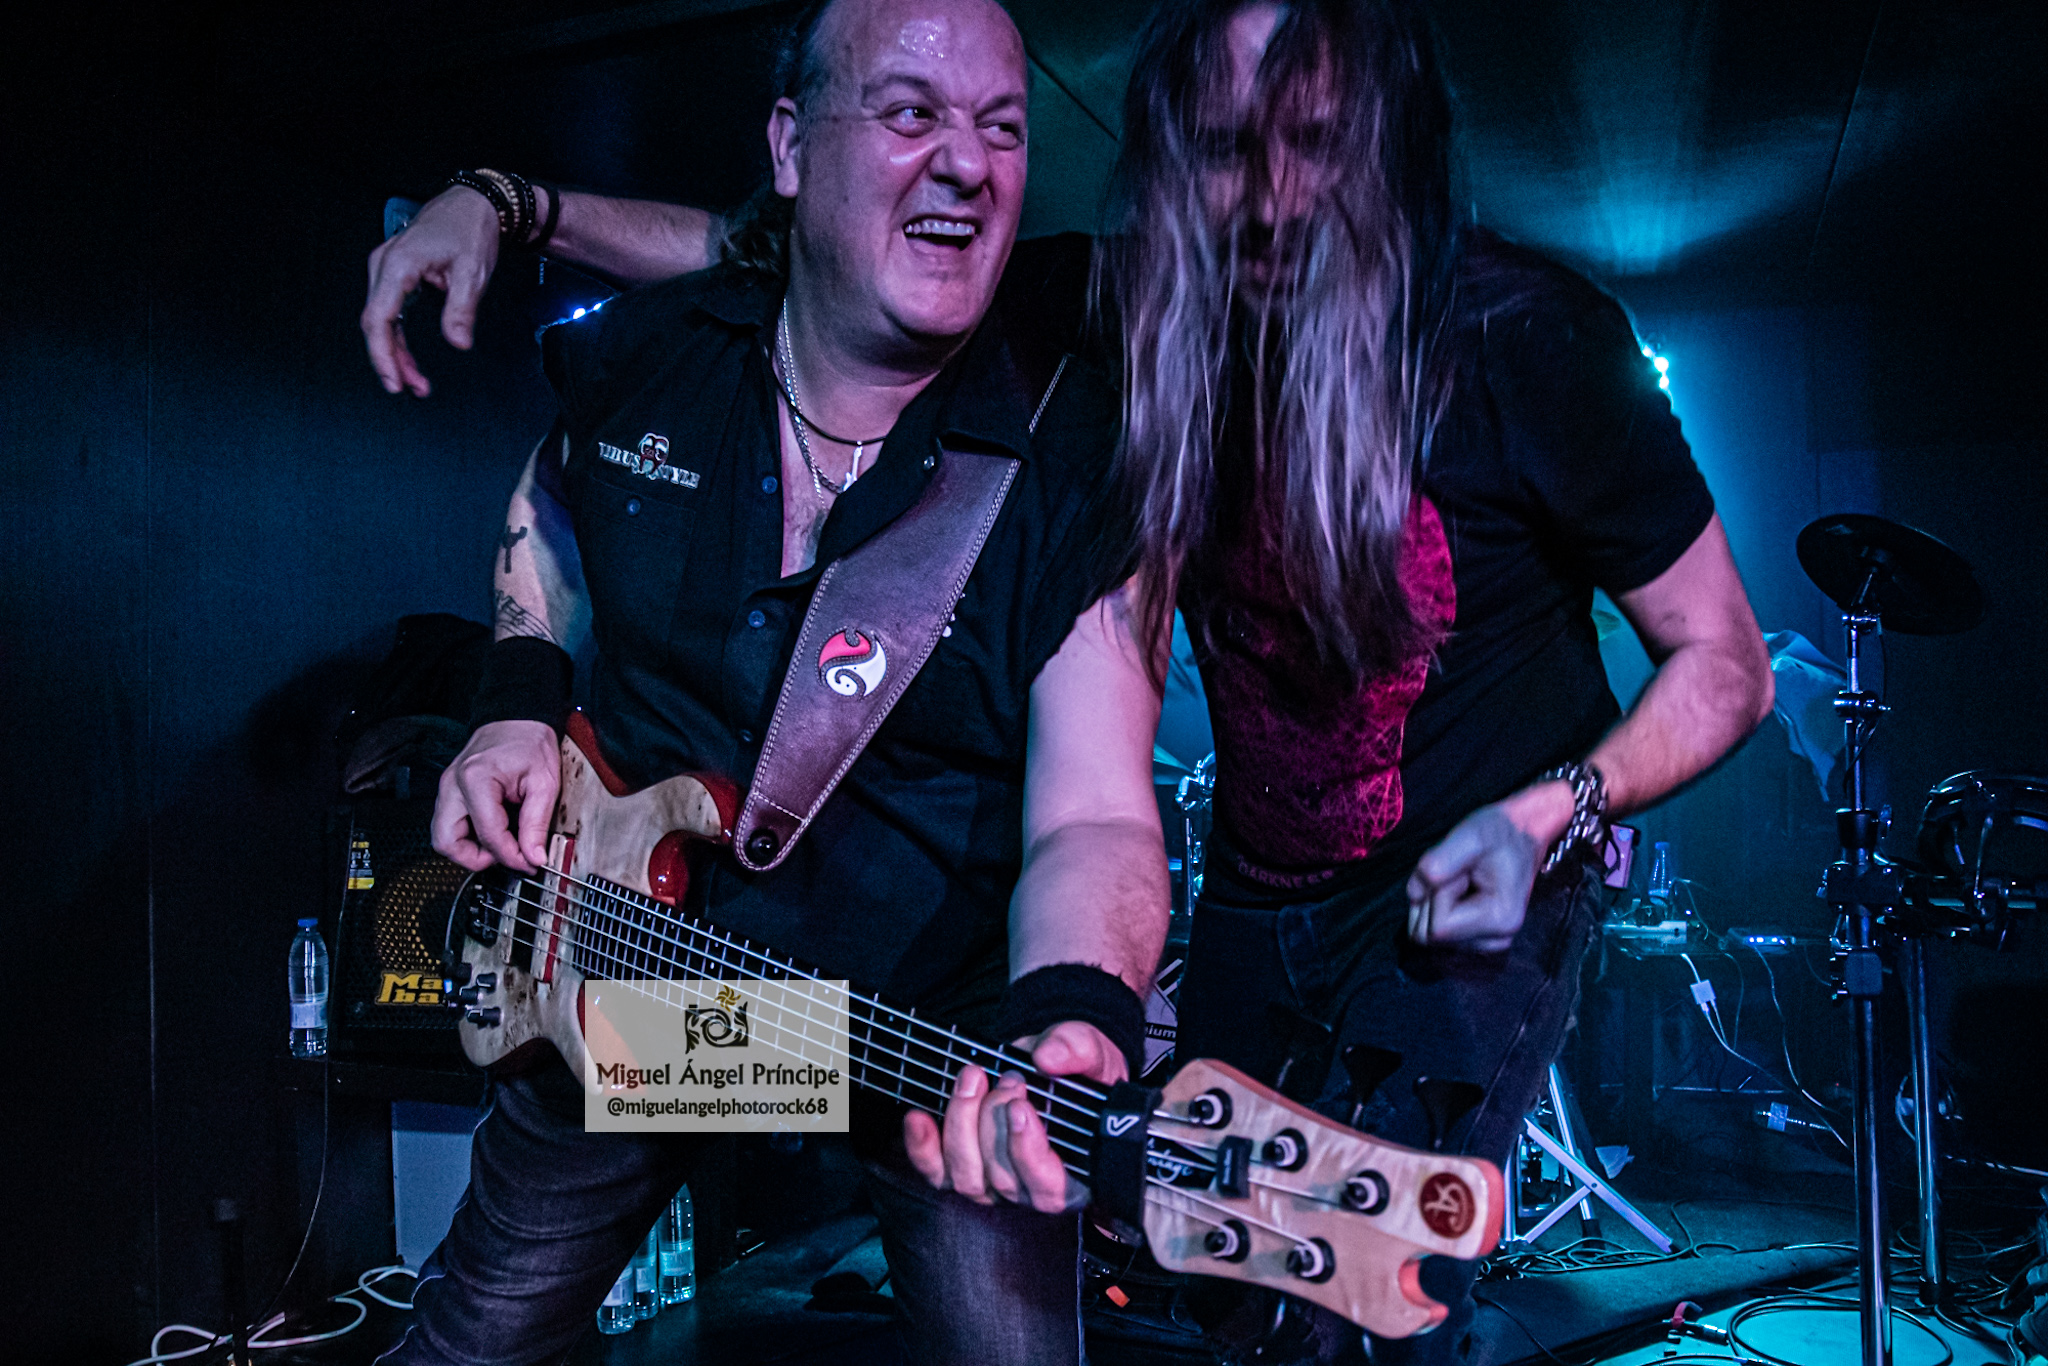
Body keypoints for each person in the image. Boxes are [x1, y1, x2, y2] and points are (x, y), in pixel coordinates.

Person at [365, 1, 1774, 1361]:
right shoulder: (1115, 309)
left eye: (1317, 141)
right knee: (1209, 1282)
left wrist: (1553, 810)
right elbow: (779, 254)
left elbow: (1724, 667)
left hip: (1353, 910)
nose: (1274, 196)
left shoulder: (1509, 344)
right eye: (1226, 148)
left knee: (1348, 1303)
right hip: (867, 976)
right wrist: (506, 205)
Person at [387, 1, 1170, 1363]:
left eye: (1002, 127)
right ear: (793, 148)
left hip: (928, 1046)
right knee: (468, 1345)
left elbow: (1096, 809)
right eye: (912, 111)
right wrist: (515, 700)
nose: (968, 161)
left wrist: (1073, 1013)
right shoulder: (657, 353)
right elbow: (551, 497)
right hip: (646, 990)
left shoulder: (1079, 448)